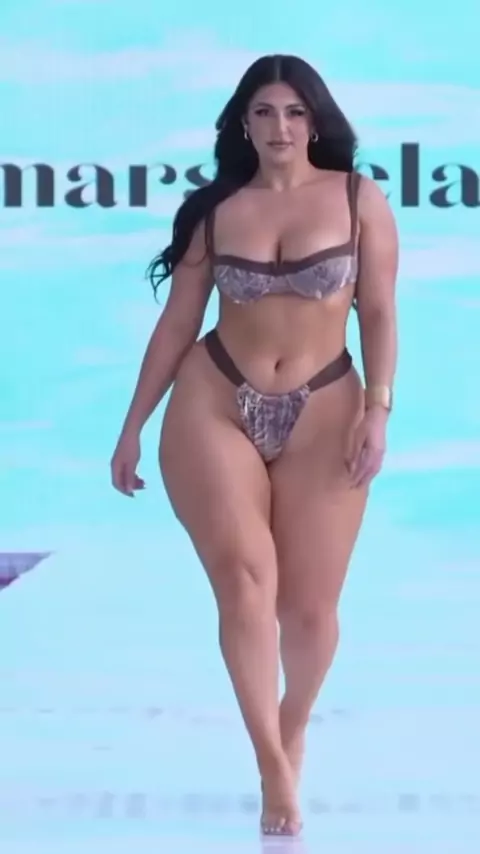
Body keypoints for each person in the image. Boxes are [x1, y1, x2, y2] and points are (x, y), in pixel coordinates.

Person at [110, 53, 398, 836]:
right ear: (243, 123)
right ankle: (273, 766)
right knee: (244, 583)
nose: (281, 127)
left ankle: (290, 725)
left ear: (316, 121)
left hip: (327, 404)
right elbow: (178, 322)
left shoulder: (357, 198)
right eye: (265, 112)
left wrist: (378, 409)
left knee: (309, 610)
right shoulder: (216, 210)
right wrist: (133, 425)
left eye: (296, 112)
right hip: (215, 401)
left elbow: (378, 310)